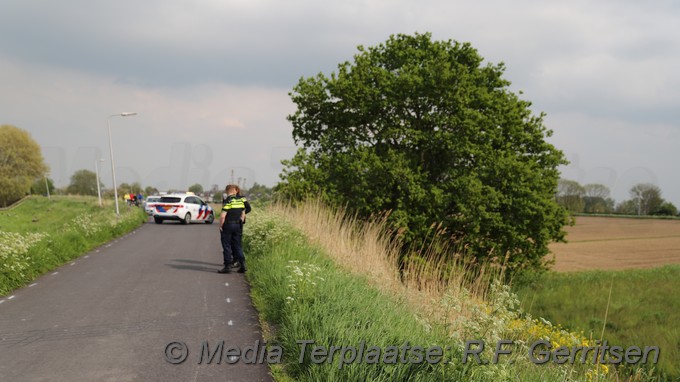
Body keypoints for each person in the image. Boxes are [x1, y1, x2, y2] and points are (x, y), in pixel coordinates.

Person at [218, 184, 251, 274]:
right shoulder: (240, 200)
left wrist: (220, 225)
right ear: (235, 191)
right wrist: (241, 218)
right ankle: (242, 264)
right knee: (238, 245)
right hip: (238, 225)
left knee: (227, 245)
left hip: (228, 224)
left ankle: (228, 266)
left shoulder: (228, 200)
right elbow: (244, 211)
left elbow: (222, 215)